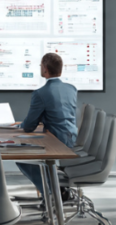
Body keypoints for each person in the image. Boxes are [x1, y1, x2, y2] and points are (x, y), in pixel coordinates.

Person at [16, 53, 78, 201]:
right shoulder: (72, 88)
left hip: (56, 141)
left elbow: (29, 126)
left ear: (45, 69)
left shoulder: (40, 93)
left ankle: (51, 192)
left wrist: (20, 126)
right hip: (74, 138)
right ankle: (57, 189)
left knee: (22, 158)